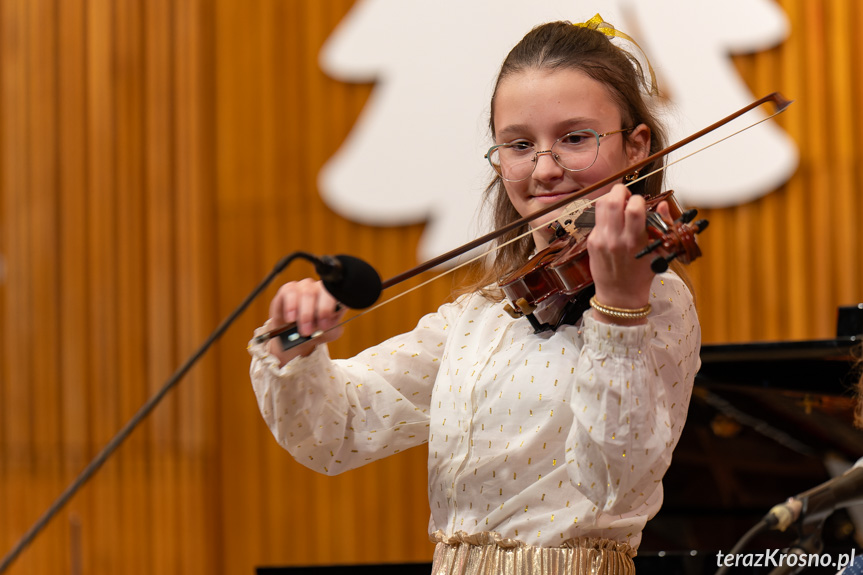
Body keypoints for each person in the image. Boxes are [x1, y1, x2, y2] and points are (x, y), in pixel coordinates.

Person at [248, 15, 701, 575]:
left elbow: (614, 479)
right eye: (518, 145)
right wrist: (294, 347)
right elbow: (340, 433)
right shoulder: (484, 315)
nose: (543, 169)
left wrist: (617, 310)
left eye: (575, 138)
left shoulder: (656, 300)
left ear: (635, 148)